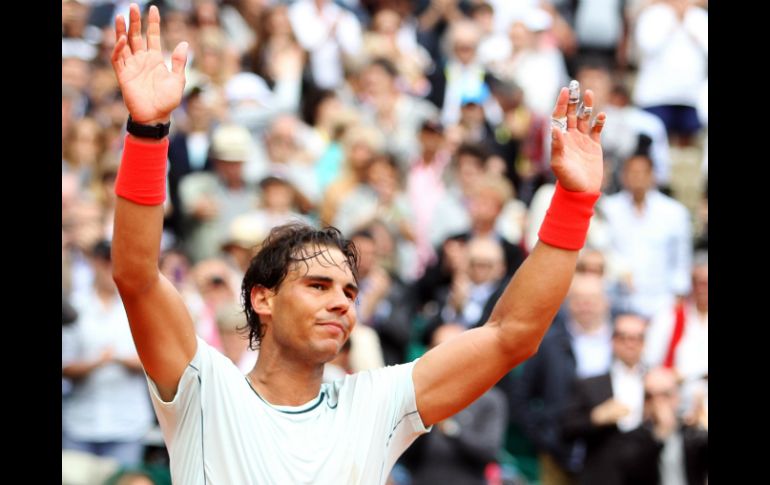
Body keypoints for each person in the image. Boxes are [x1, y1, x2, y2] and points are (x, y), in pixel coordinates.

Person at [108, 5, 606, 483]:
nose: (340, 303)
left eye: (349, 292)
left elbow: (511, 334)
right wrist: (148, 131)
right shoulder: (203, 388)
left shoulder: (374, 404)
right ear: (263, 298)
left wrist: (575, 202)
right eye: (318, 285)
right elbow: (136, 275)